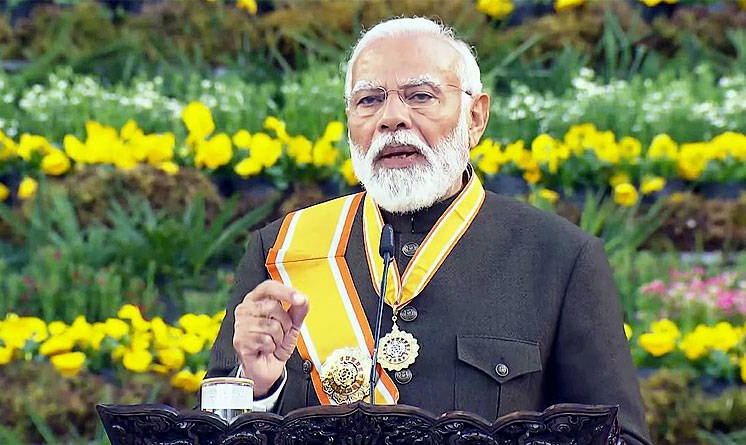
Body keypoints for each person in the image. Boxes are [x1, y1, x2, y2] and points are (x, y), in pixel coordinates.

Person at [206, 17, 652, 445]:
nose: (391, 118)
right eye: (369, 100)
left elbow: (619, 438)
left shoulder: (559, 258)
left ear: (475, 118)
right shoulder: (281, 250)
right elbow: (210, 431)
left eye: (420, 96)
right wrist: (260, 390)